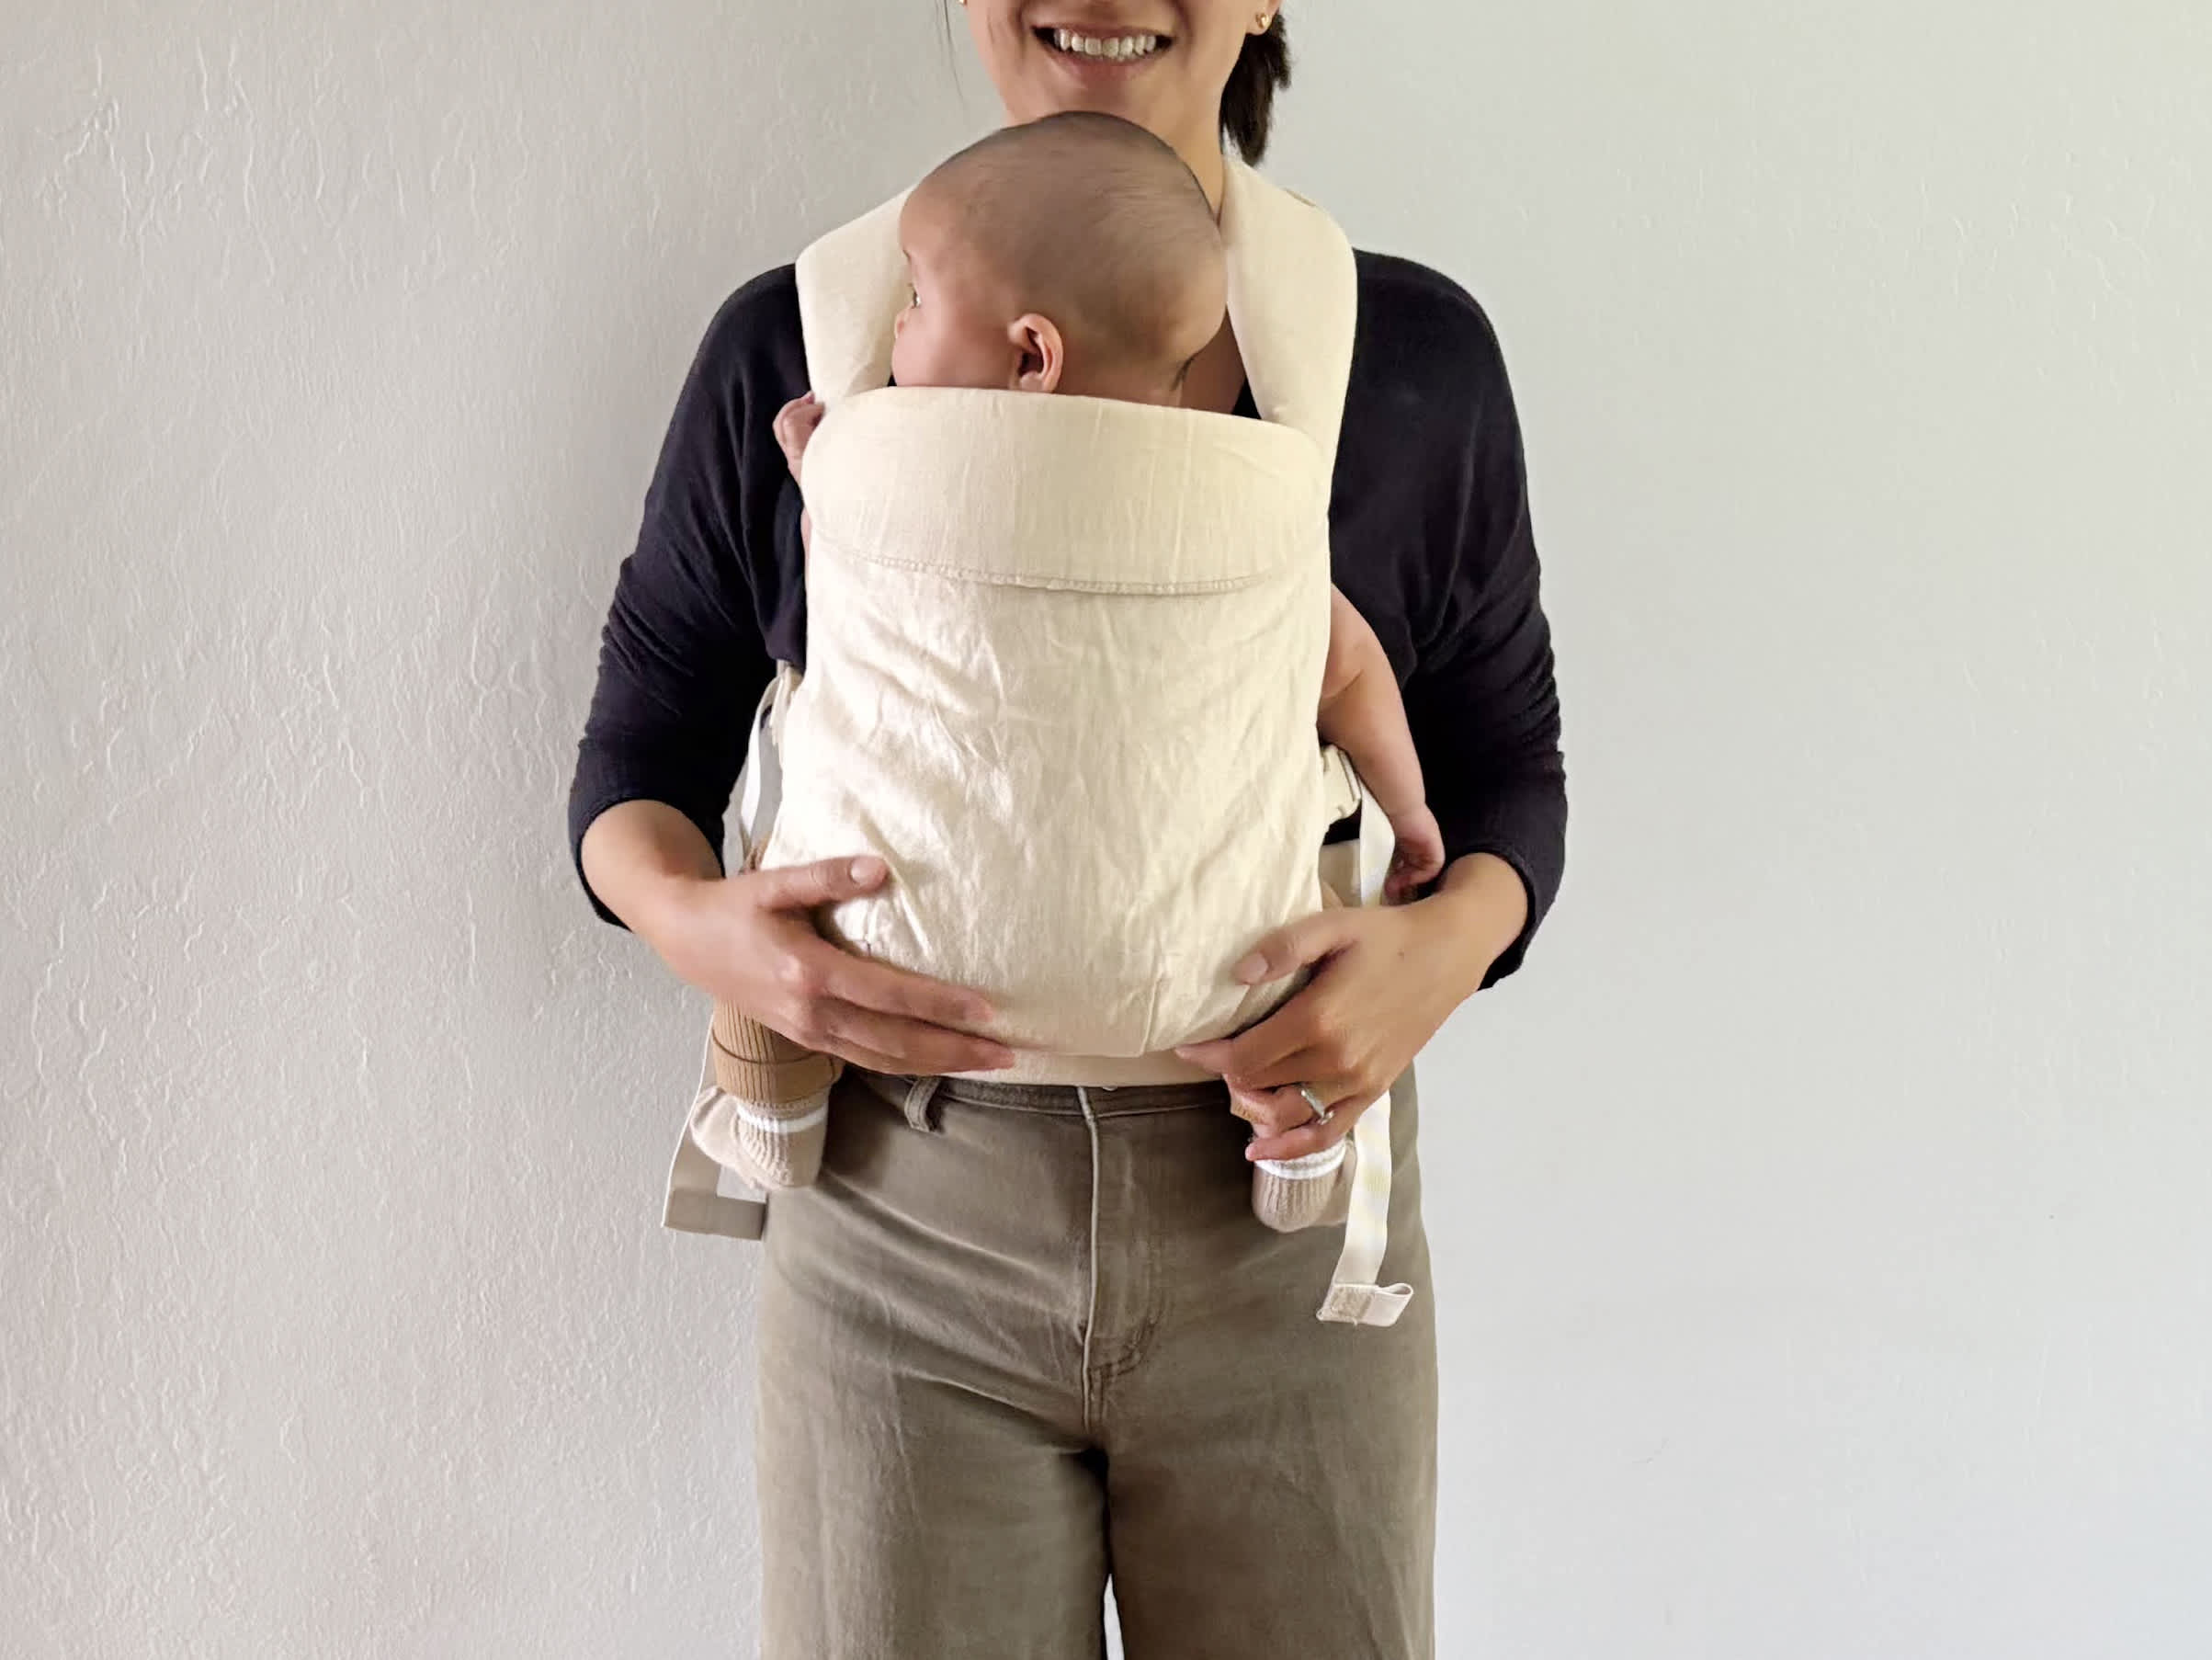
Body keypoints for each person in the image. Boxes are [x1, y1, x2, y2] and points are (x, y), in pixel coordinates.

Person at [570, 5, 1566, 1654]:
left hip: (1283, 1228)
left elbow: (1503, 769)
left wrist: (1439, 948)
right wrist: (713, 936)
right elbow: (633, 763)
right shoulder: (805, 344)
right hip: (900, 1228)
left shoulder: (1407, 354)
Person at [709, 111, 1446, 1239]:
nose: (897, 330)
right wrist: (1410, 813)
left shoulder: (874, 453)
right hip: (1216, 989)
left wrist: (828, 472)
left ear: (1028, 355)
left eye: (912, 302)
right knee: (1294, 947)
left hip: (878, 954)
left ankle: (772, 1101)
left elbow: (845, 593)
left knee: (781, 866)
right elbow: (1343, 661)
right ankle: (1299, 1154)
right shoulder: (1260, 494)